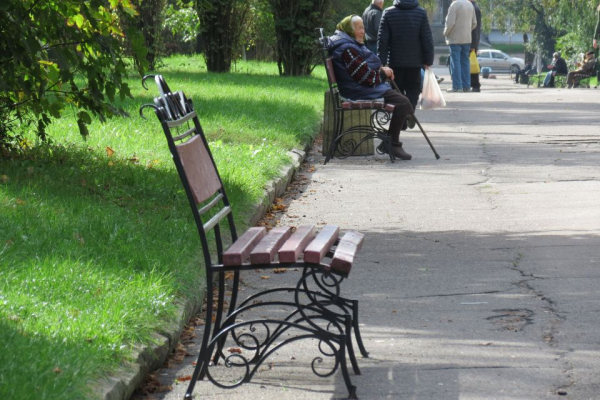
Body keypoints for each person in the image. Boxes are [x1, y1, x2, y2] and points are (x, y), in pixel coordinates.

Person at [327, 15, 414, 160]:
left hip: (359, 87)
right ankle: (393, 143)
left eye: (363, 27)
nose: (362, 31)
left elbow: (364, 72)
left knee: (403, 102)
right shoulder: (347, 48)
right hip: (357, 90)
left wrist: (382, 71)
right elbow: (366, 78)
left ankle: (395, 135)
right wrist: (383, 73)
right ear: (349, 29)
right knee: (403, 103)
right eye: (359, 28)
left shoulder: (348, 44)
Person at [377, 0, 434, 111]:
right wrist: (428, 60)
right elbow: (427, 38)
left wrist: (381, 62)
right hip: (415, 62)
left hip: (395, 62)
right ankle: (409, 111)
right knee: (414, 88)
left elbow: (382, 40)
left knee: (397, 90)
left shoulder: (388, 13)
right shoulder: (421, 13)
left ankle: (401, 118)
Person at [444, 0, 477, 92]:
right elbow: (474, 23)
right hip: (467, 38)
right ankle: (466, 86)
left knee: (455, 62)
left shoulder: (454, 5)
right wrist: (466, 30)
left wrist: (446, 33)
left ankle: (457, 86)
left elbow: (450, 23)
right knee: (465, 62)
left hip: (455, 38)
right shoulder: (470, 4)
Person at [469, 0, 482, 92]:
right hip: (472, 42)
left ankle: (476, 85)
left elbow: (475, 29)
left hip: (472, 43)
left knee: (472, 65)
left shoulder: (474, 9)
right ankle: (473, 84)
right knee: (471, 64)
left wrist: (473, 45)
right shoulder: (472, 7)